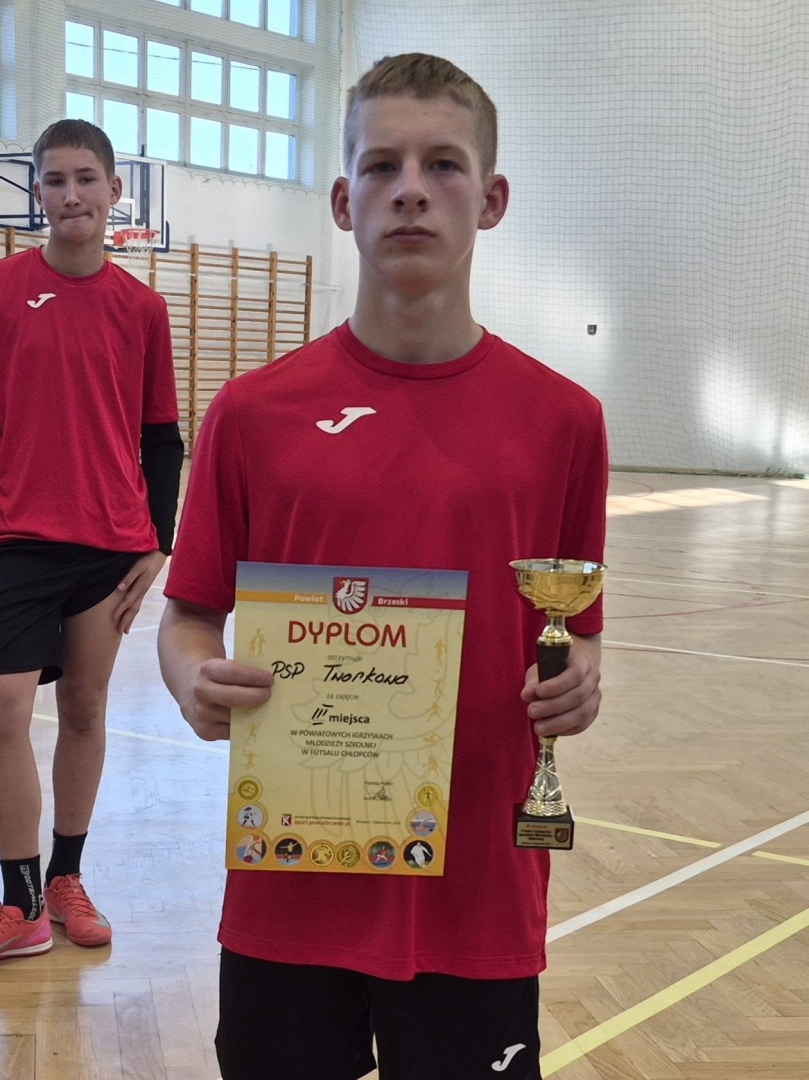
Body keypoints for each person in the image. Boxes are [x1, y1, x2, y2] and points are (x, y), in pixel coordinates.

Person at [158, 54, 607, 1080]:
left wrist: (579, 676)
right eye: (380, 165)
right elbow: (188, 615)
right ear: (341, 199)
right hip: (291, 876)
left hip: (476, 891)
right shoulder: (251, 414)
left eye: (442, 164)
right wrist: (191, 679)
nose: (410, 188)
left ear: (490, 199)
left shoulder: (564, 422)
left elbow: (576, 627)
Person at [0, 120, 183, 958]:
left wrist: (158, 543)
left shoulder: (142, 309)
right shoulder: (6, 288)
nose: (70, 194)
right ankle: (20, 900)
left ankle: (66, 878)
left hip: (110, 545)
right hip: (16, 539)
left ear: (114, 191)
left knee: (83, 708)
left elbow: (160, 435)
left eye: (84, 178)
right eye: (53, 180)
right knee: (7, 710)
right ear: (36, 192)